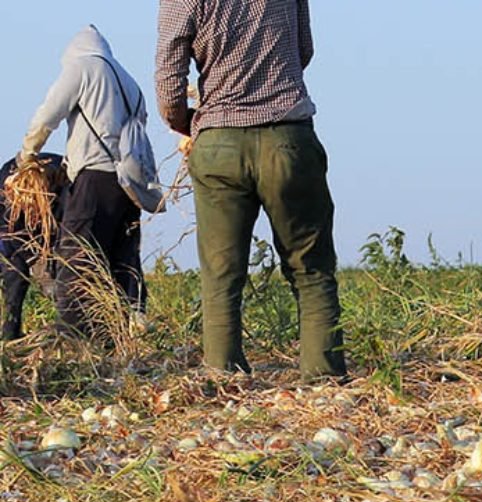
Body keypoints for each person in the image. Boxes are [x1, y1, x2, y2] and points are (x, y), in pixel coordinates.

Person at [156, 0, 345, 379]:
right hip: (288, 137)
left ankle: (224, 377)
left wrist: (186, 123)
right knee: (311, 269)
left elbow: (168, 77)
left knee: (222, 275)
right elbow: (303, 49)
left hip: (218, 143)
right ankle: (324, 380)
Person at [20, 26, 148, 343]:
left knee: (77, 258)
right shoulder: (129, 82)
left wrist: (27, 155)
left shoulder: (82, 67)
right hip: (129, 185)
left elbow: (47, 116)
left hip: (94, 179)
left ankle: (72, 340)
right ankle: (112, 339)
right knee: (118, 262)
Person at [1, 154, 67, 343]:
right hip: (14, 237)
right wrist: (27, 260)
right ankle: (9, 334)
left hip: (54, 231)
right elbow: (6, 234)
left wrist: (53, 261)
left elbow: (68, 229)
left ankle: (71, 331)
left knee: (64, 277)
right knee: (14, 274)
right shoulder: (4, 188)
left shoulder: (64, 184)